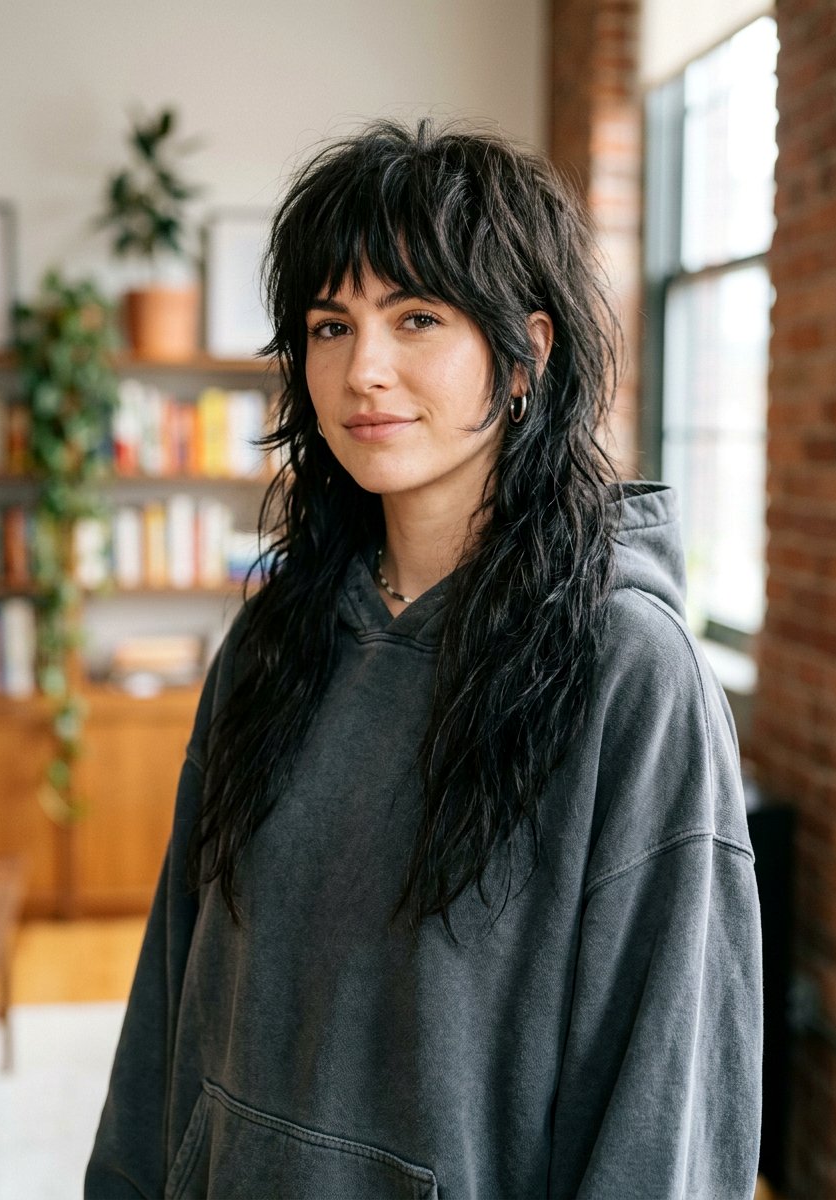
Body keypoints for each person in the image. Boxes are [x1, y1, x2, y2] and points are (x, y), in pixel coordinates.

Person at [85, 119, 763, 1199]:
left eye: (416, 318)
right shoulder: (274, 641)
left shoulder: (629, 672)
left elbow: (665, 1104)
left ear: (525, 354)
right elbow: (173, 997)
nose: (364, 370)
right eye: (328, 324)